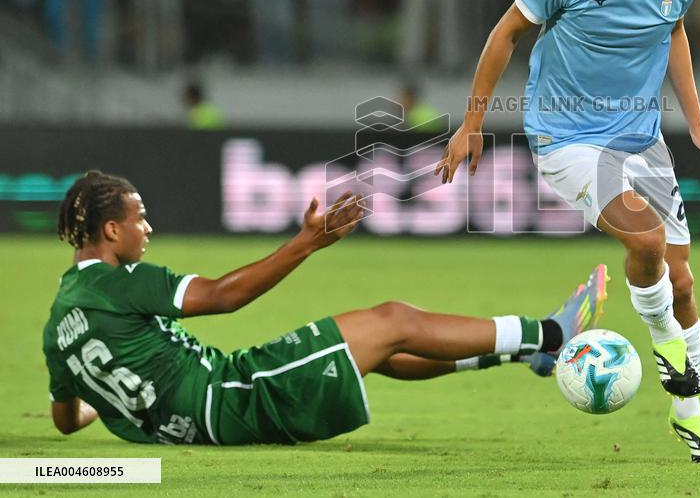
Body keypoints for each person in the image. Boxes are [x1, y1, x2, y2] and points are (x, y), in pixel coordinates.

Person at [436, 0, 700, 464]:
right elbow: (504, 34)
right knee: (646, 241)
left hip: (641, 139)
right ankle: (667, 351)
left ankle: (689, 412)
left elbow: (673, 31)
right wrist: (472, 123)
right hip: (567, 140)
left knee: (681, 282)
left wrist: (698, 127)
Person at [44, 170, 606, 445]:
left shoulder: (58, 325)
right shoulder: (119, 283)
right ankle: (550, 334)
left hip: (197, 420)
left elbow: (67, 421)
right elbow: (223, 296)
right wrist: (305, 243)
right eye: (139, 218)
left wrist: (113, 400)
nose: (147, 228)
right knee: (393, 320)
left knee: (377, 352)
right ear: (111, 230)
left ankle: (521, 355)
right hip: (236, 396)